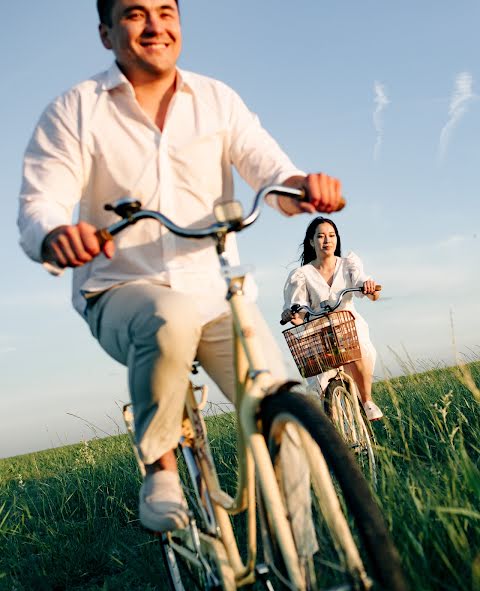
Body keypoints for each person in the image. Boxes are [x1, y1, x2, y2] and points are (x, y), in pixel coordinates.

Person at [17, 0, 343, 534]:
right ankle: (161, 468)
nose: (155, 26)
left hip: (215, 294)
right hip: (121, 288)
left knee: (288, 418)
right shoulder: (75, 109)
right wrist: (57, 233)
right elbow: (40, 202)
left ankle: (306, 566)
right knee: (169, 318)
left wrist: (302, 187)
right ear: (106, 33)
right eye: (135, 14)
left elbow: (269, 167)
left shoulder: (215, 99)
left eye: (166, 11)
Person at [282, 217, 384, 421]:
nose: (326, 240)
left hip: (347, 323)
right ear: (311, 242)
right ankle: (339, 431)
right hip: (319, 329)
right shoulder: (302, 274)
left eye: (331, 235)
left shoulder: (348, 264)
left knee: (358, 348)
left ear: (337, 239)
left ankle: (367, 401)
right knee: (321, 388)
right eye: (320, 236)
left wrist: (370, 287)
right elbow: (297, 306)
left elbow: (365, 285)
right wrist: (292, 315)